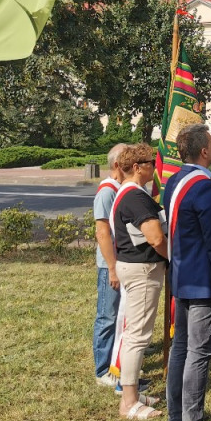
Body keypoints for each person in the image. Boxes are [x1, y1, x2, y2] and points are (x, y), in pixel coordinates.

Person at [163, 124, 211, 421]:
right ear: (204, 151)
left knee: (181, 349)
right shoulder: (206, 189)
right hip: (202, 281)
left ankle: (177, 416)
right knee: (198, 352)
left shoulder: (173, 181)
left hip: (181, 275)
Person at [111, 142, 167, 420]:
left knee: (135, 333)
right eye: (150, 163)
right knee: (137, 336)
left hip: (135, 266)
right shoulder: (134, 197)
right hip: (142, 269)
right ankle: (129, 402)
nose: (154, 167)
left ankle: (130, 392)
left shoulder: (129, 193)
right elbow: (156, 238)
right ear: (137, 167)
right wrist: (173, 256)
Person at [93, 143, 127, 388]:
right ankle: (103, 368)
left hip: (119, 261)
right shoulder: (107, 191)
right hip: (109, 265)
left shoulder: (120, 188)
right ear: (117, 165)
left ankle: (117, 361)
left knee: (117, 316)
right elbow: (103, 233)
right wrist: (112, 268)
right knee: (107, 315)